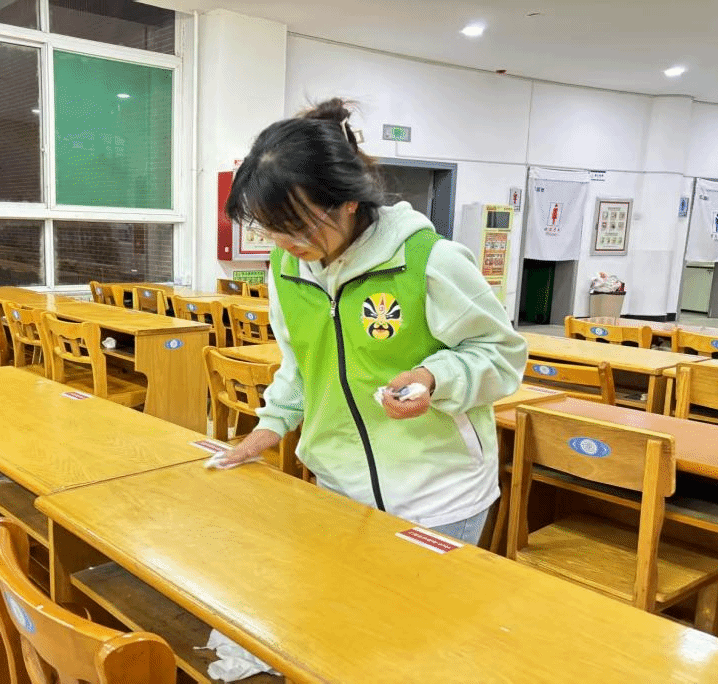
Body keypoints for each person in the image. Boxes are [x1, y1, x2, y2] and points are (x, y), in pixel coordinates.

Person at [214, 99, 527, 544]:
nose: (285, 242)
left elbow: (501, 355)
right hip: (337, 486)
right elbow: (301, 364)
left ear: (348, 201)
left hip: (437, 498)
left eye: (299, 226)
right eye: (270, 228)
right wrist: (270, 425)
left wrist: (433, 377)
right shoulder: (286, 269)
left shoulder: (429, 261)